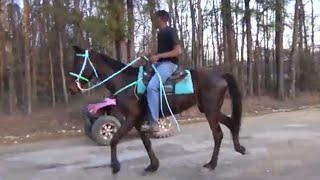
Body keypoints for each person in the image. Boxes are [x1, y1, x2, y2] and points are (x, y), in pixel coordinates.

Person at [141, 10, 182, 132]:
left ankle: (154, 123)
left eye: (155, 18)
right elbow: (162, 53)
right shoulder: (160, 33)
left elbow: (178, 51)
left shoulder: (171, 31)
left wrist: (158, 57)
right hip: (161, 63)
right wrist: (152, 56)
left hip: (170, 64)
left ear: (161, 19)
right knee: (141, 80)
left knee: (152, 87)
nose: (153, 21)